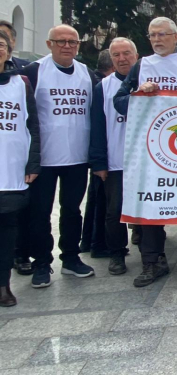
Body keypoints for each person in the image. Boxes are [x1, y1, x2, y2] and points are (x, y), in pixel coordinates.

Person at [114, 17, 177, 287]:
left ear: (176, 37)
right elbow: (119, 101)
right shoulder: (141, 66)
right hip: (150, 150)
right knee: (151, 205)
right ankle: (152, 261)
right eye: (152, 35)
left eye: (162, 34)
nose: (156, 39)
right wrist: (138, 95)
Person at [16, 25, 98, 288]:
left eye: (72, 42)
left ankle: (71, 258)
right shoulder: (34, 72)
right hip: (44, 158)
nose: (67, 46)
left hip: (77, 157)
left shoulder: (86, 73)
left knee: (72, 211)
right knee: (40, 213)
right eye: (61, 41)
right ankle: (42, 263)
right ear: (49, 44)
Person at [89, 38, 139, 276]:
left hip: (145, 160)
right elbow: (97, 126)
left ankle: (153, 252)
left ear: (136, 56)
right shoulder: (103, 87)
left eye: (126, 53)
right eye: (116, 55)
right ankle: (117, 253)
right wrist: (99, 162)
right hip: (116, 160)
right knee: (114, 210)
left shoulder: (148, 81)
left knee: (147, 207)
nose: (122, 58)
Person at [0, 29, 40, 306]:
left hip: (11, 169)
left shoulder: (21, 83)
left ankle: (3, 284)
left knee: (7, 228)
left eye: (2, 45)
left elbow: (32, 125)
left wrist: (33, 162)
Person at [81, 49, 114, 258]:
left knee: (96, 200)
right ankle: (98, 243)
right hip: (104, 155)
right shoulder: (102, 86)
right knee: (101, 201)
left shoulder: (94, 81)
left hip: (99, 156)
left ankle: (89, 241)